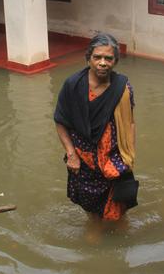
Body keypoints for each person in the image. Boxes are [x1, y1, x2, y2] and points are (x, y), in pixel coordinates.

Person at [54, 32, 137, 221]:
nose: (102, 62)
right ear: (88, 59)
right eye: (97, 57)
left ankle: (116, 234)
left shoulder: (123, 88)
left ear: (115, 61)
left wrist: (130, 155)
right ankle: (95, 229)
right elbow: (60, 121)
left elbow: (129, 122)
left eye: (108, 58)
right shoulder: (73, 85)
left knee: (119, 205)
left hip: (115, 159)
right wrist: (71, 155)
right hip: (83, 160)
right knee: (90, 208)